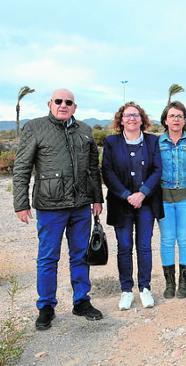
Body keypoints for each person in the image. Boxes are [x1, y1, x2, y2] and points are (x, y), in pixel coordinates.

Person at [13, 88, 104, 330]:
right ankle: (46, 307)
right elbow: (22, 167)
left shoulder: (84, 130)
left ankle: (81, 301)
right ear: (50, 104)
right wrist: (20, 203)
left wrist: (97, 198)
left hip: (81, 206)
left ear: (75, 107)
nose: (63, 105)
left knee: (81, 255)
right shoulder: (35, 127)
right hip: (50, 207)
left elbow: (93, 169)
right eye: (58, 101)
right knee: (47, 258)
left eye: (69, 102)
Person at [102, 102, 163, 311]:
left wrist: (142, 193)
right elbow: (107, 172)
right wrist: (128, 195)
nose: (132, 119)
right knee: (125, 246)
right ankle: (126, 290)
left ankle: (145, 287)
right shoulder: (111, 142)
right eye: (127, 115)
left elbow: (157, 170)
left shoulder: (152, 141)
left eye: (136, 115)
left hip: (146, 204)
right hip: (121, 204)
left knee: (144, 246)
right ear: (121, 119)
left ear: (142, 119)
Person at [158, 101, 186, 299]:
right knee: (166, 240)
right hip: (163, 197)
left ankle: (184, 280)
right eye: (172, 116)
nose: (176, 119)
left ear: (184, 120)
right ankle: (169, 282)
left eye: (180, 116)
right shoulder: (157, 142)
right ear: (165, 120)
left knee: (184, 238)